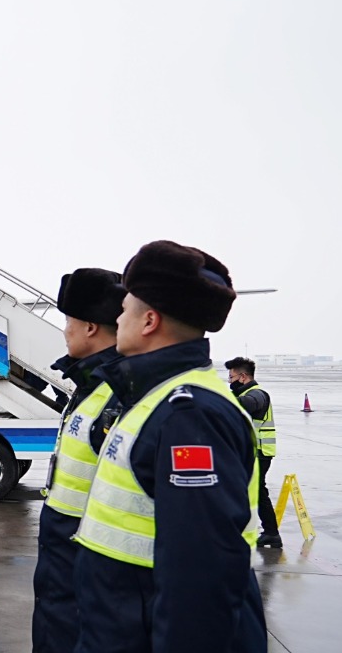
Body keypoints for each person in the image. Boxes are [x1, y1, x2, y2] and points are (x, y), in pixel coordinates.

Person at [73, 241, 266, 653]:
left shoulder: (190, 417)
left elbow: (201, 576)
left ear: (149, 321)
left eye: (124, 309)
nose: (117, 318)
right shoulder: (154, 398)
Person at [32, 268, 125, 653]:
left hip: (87, 573)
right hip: (66, 572)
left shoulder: (116, 396)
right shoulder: (91, 388)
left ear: (89, 327)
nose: (65, 330)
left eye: (68, 320)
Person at [226, 356, 281, 548]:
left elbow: (248, 403)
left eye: (231, 378)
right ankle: (271, 533)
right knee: (256, 492)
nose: (229, 382)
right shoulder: (246, 393)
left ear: (242, 377)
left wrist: (221, 400)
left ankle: (270, 533)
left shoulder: (258, 394)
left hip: (260, 453)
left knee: (253, 491)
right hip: (251, 453)